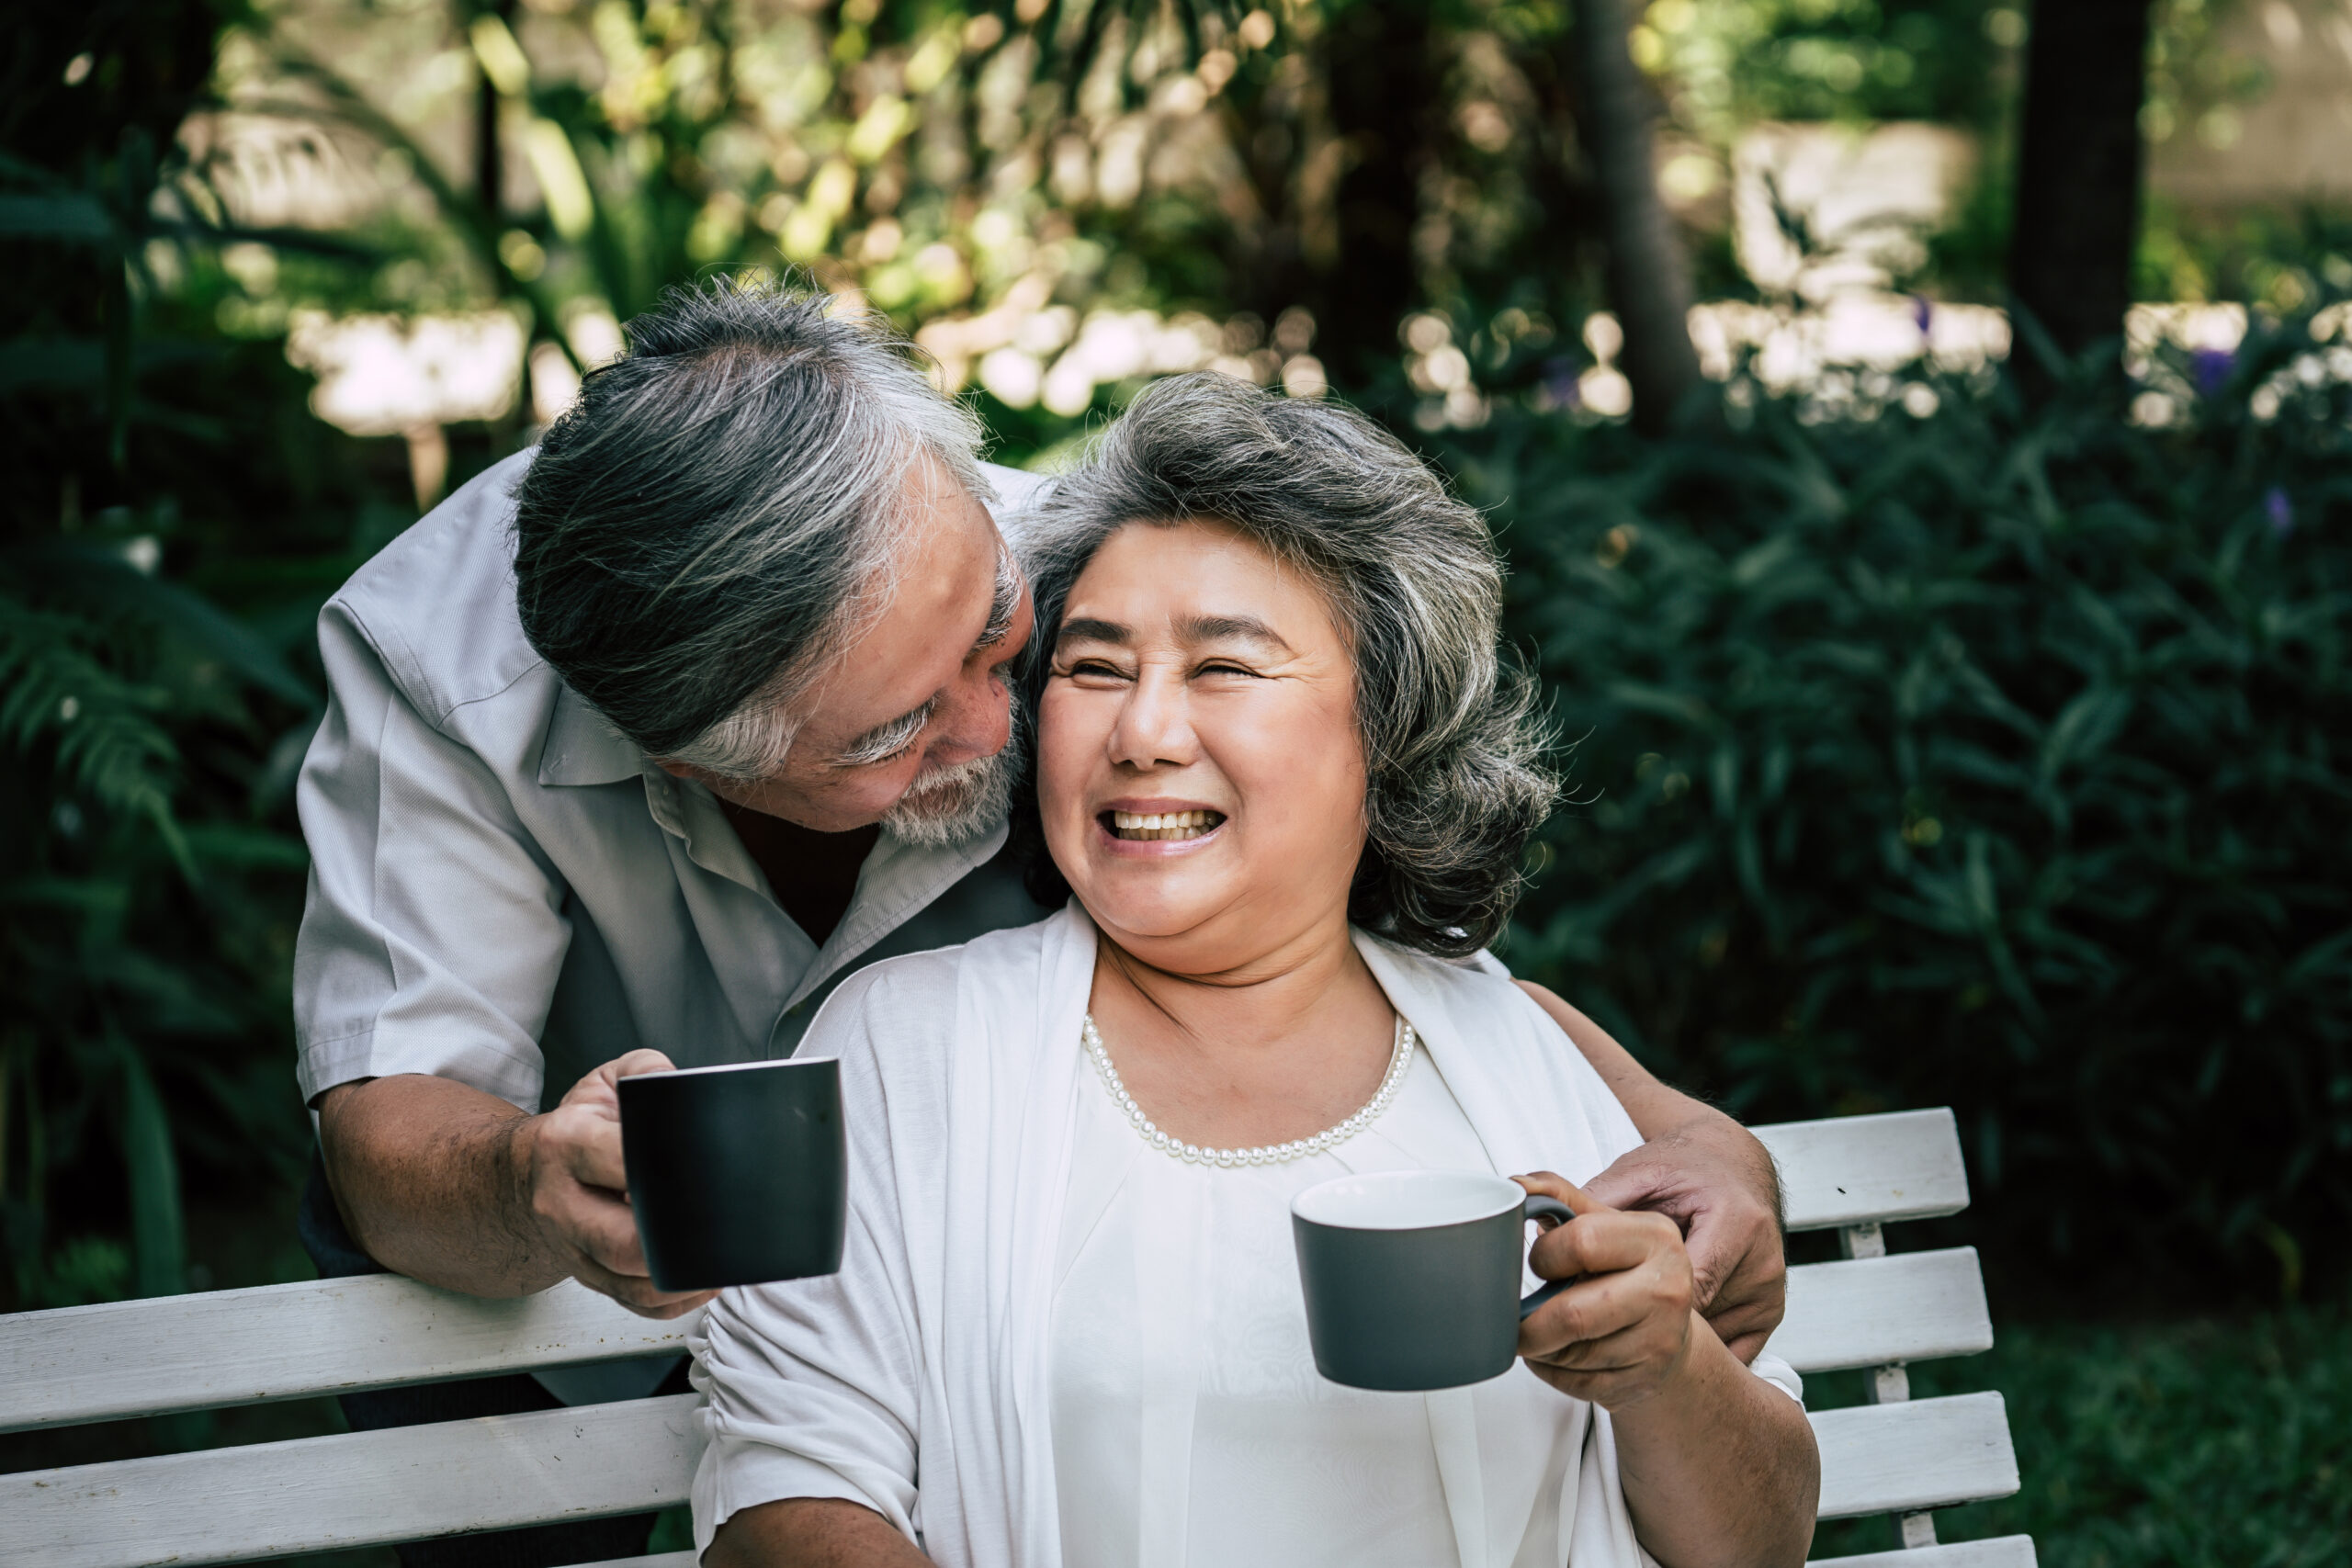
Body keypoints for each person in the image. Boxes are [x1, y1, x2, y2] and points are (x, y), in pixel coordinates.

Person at [291, 281, 1785, 1566]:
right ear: (692, 763)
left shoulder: (1042, 554)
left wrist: (1684, 1130)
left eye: (1010, 639)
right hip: (600, 1323)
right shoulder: (459, 682)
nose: (1024, 722)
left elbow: (1355, 954)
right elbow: (392, 1120)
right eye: (901, 725)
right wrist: (531, 1183)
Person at [690, 374, 1820, 1568]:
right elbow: (788, 1501)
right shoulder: (902, 1050)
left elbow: (1760, 1546)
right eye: (1094, 667)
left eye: (1223, 668)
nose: (1143, 734)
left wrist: (1667, 1370)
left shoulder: (1508, 1055)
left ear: (1385, 726)